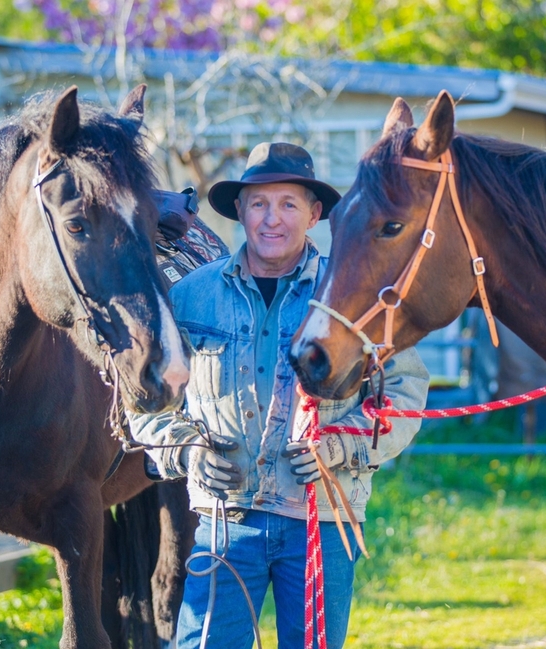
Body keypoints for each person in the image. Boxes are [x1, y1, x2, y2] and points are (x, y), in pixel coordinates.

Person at [129, 142, 429, 649]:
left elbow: (404, 391)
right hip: (225, 522)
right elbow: (146, 399)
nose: (272, 219)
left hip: (321, 523)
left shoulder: (352, 294)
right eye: (259, 203)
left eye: (288, 204)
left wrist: (342, 445)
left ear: (313, 215)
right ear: (240, 210)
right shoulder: (190, 297)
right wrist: (186, 452)